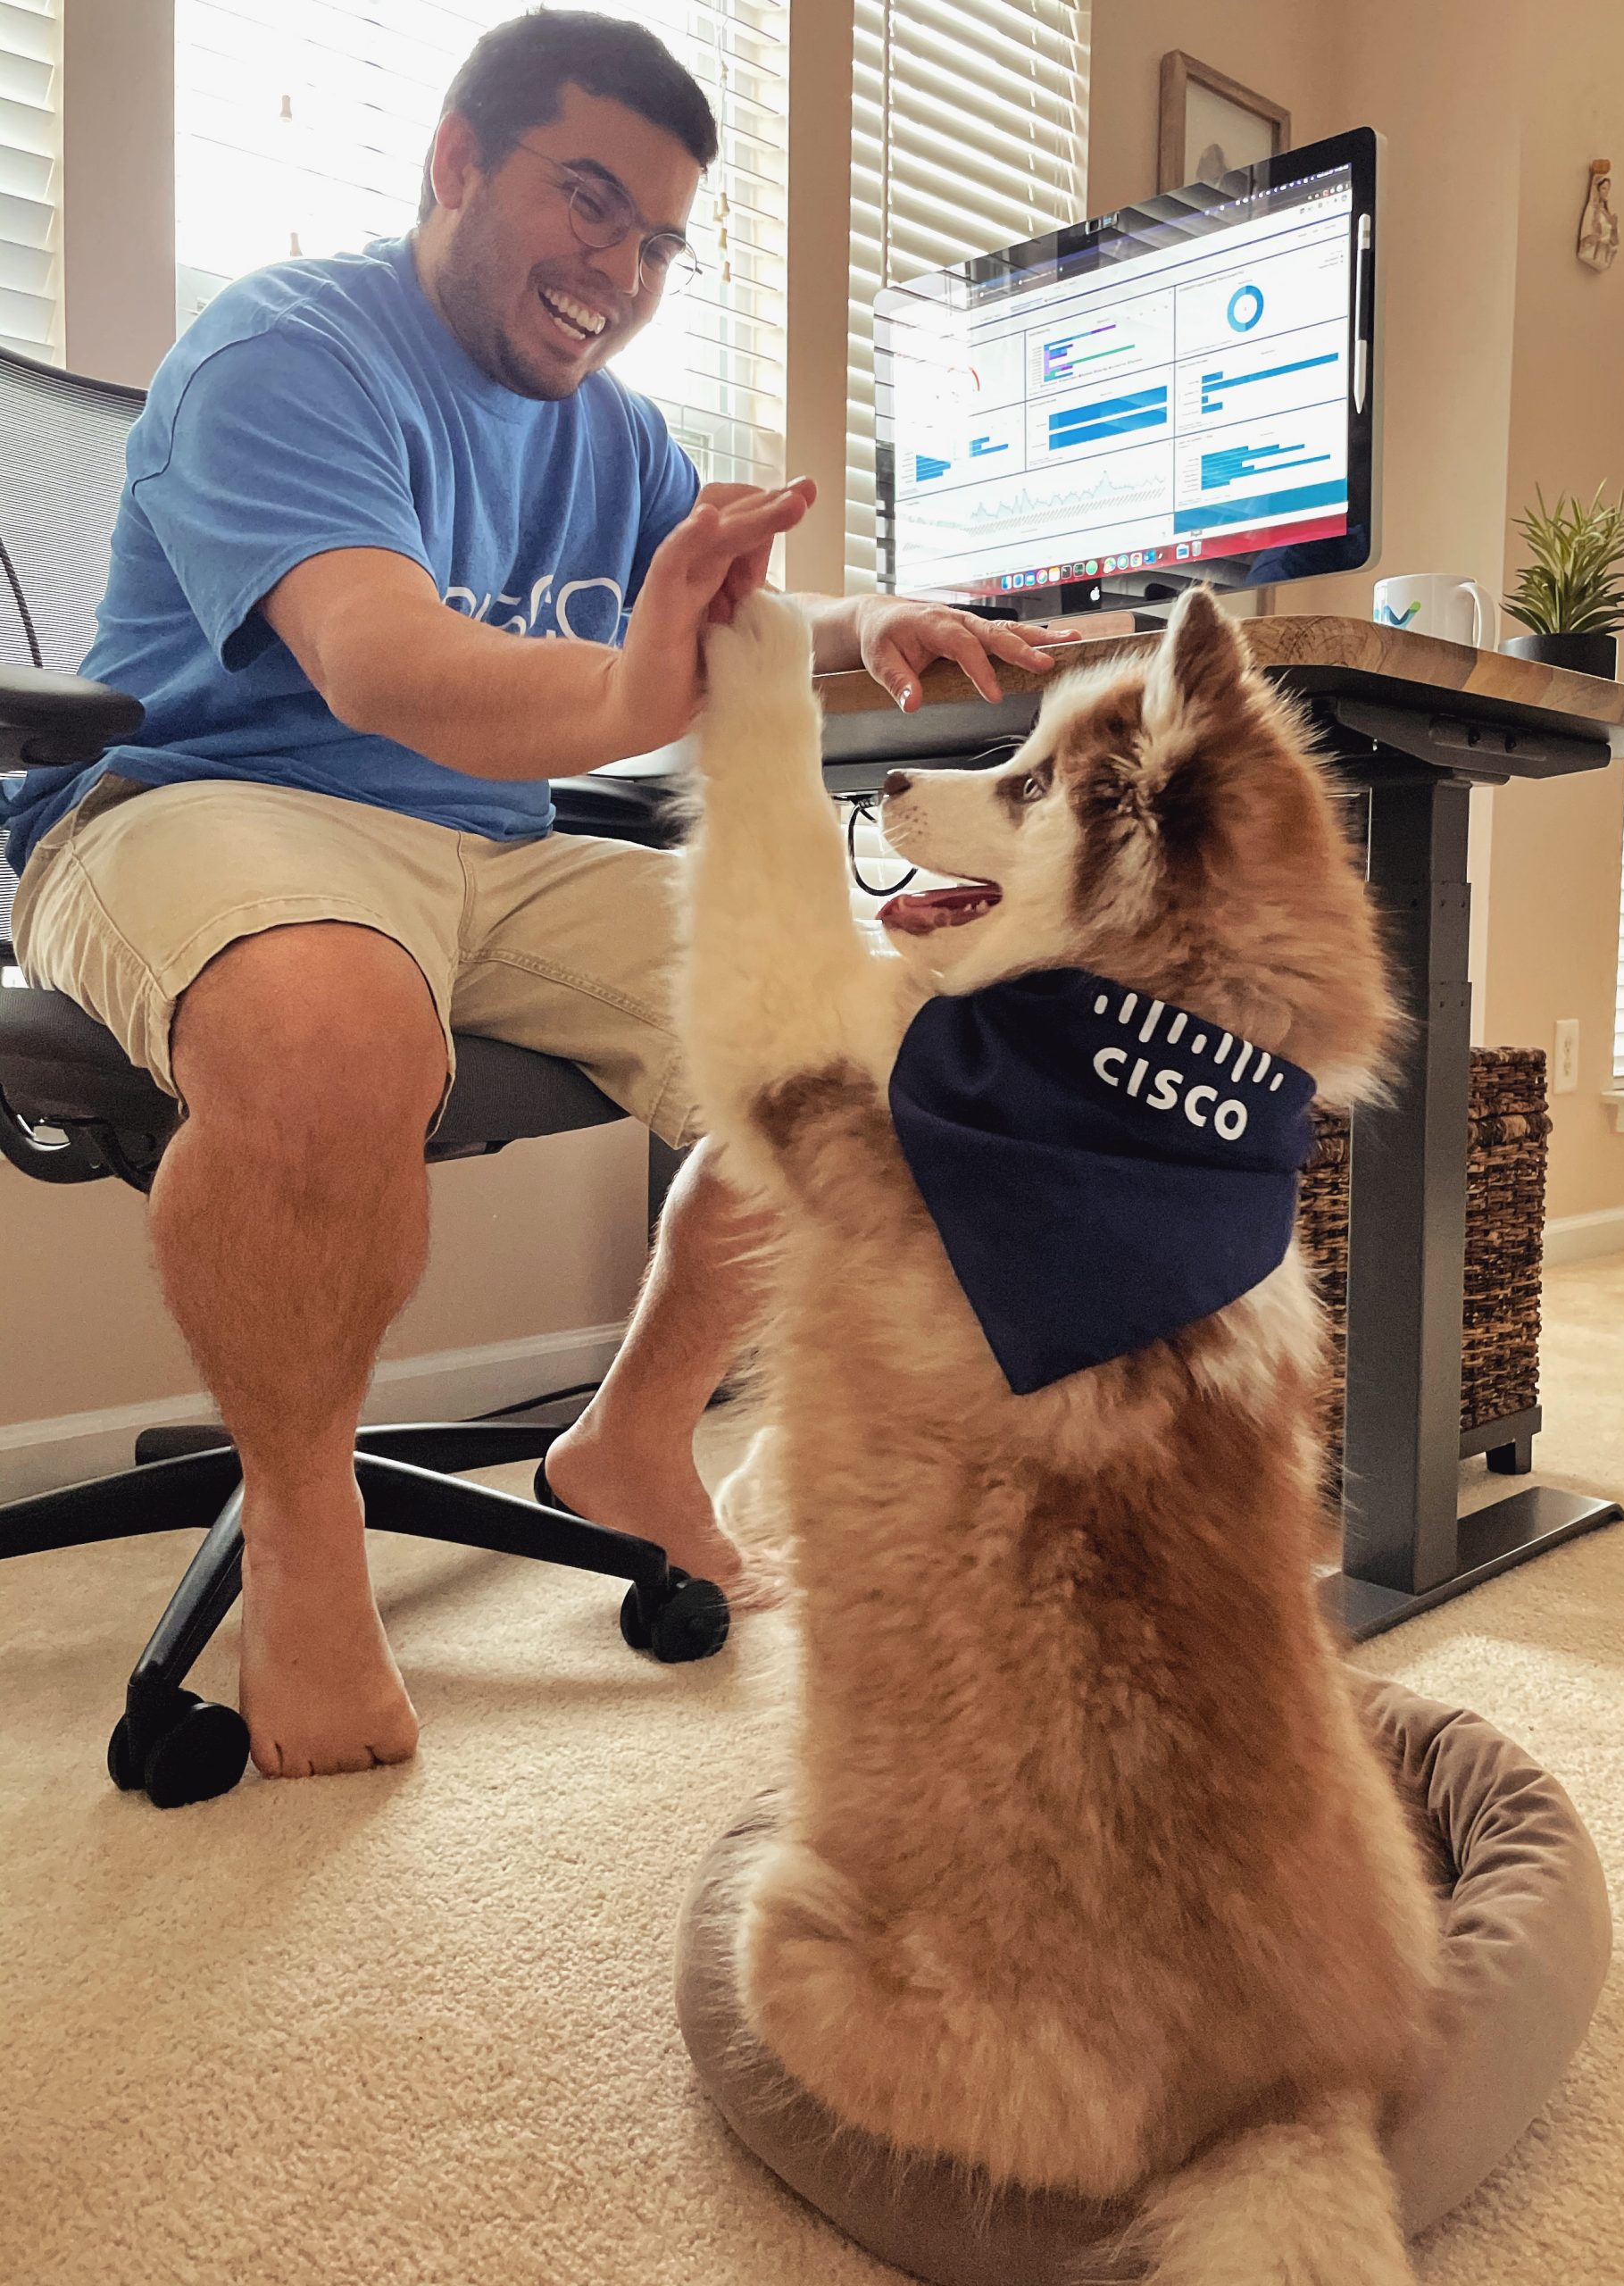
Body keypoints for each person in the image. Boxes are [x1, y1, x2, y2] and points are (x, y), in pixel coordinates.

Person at [1, 11, 1071, 1782]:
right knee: (329, 1026)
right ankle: (303, 1520)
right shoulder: (286, 351)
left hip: (486, 850)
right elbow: (380, 662)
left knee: (859, 1036)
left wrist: (865, 623)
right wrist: (639, 691)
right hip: (189, 803)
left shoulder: (621, 438)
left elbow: (728, 629)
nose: (621, 270)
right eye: (589, 202)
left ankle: (635, 1438)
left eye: (657, 239)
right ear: (453, 162)